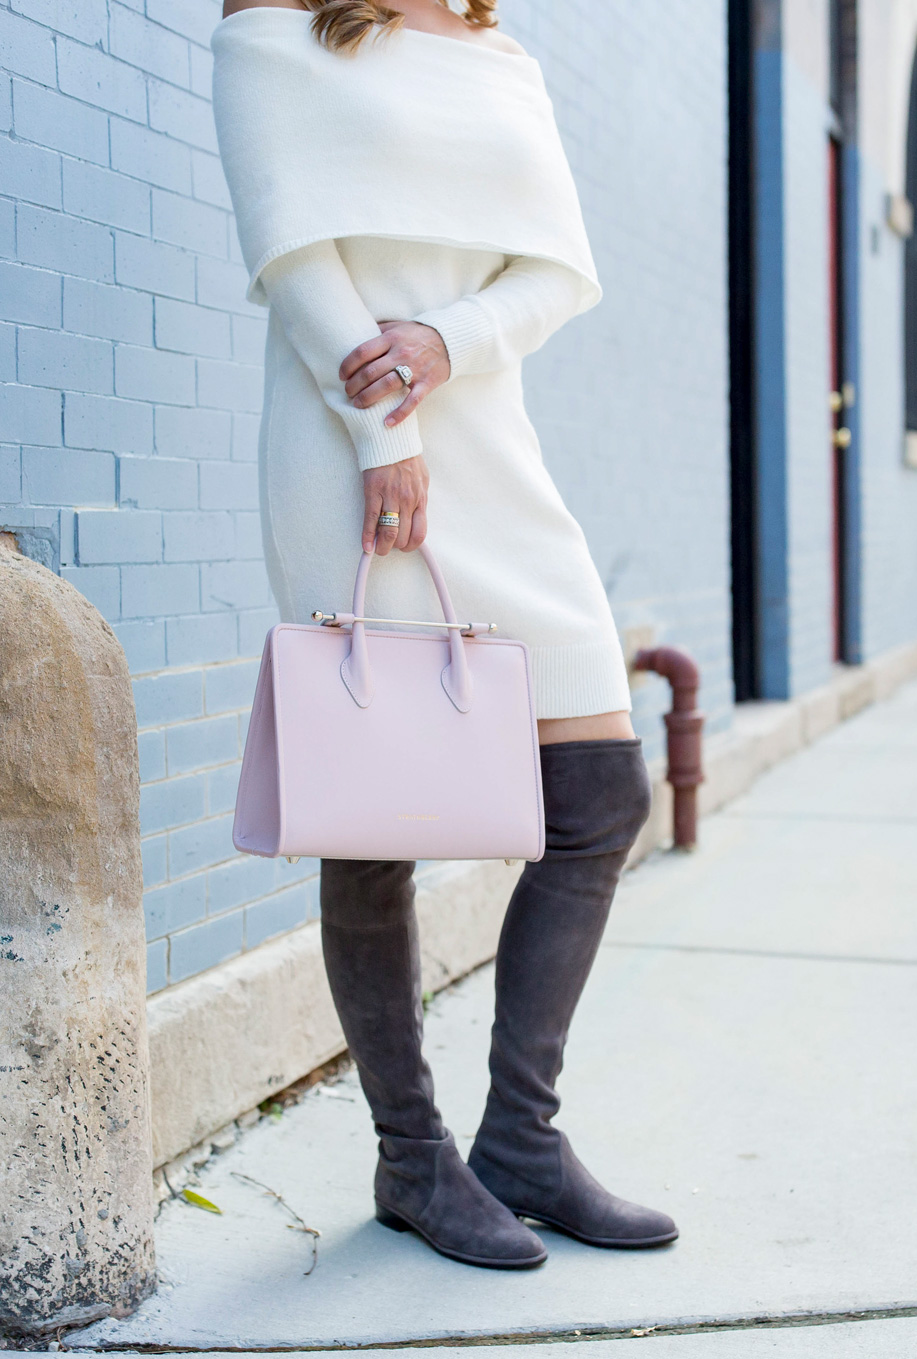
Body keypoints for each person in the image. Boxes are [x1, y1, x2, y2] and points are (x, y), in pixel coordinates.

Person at [213, 0, 678, 1269]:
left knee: (599, 792)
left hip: (491, 443)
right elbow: (293, 249)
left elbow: (555, 270)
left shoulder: (503, 57)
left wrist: (448, 343)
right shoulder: (275, 31)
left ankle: (521, 1138)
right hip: (343, 442)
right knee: (376, 814)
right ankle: (412, 1155)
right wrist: (387, 428)